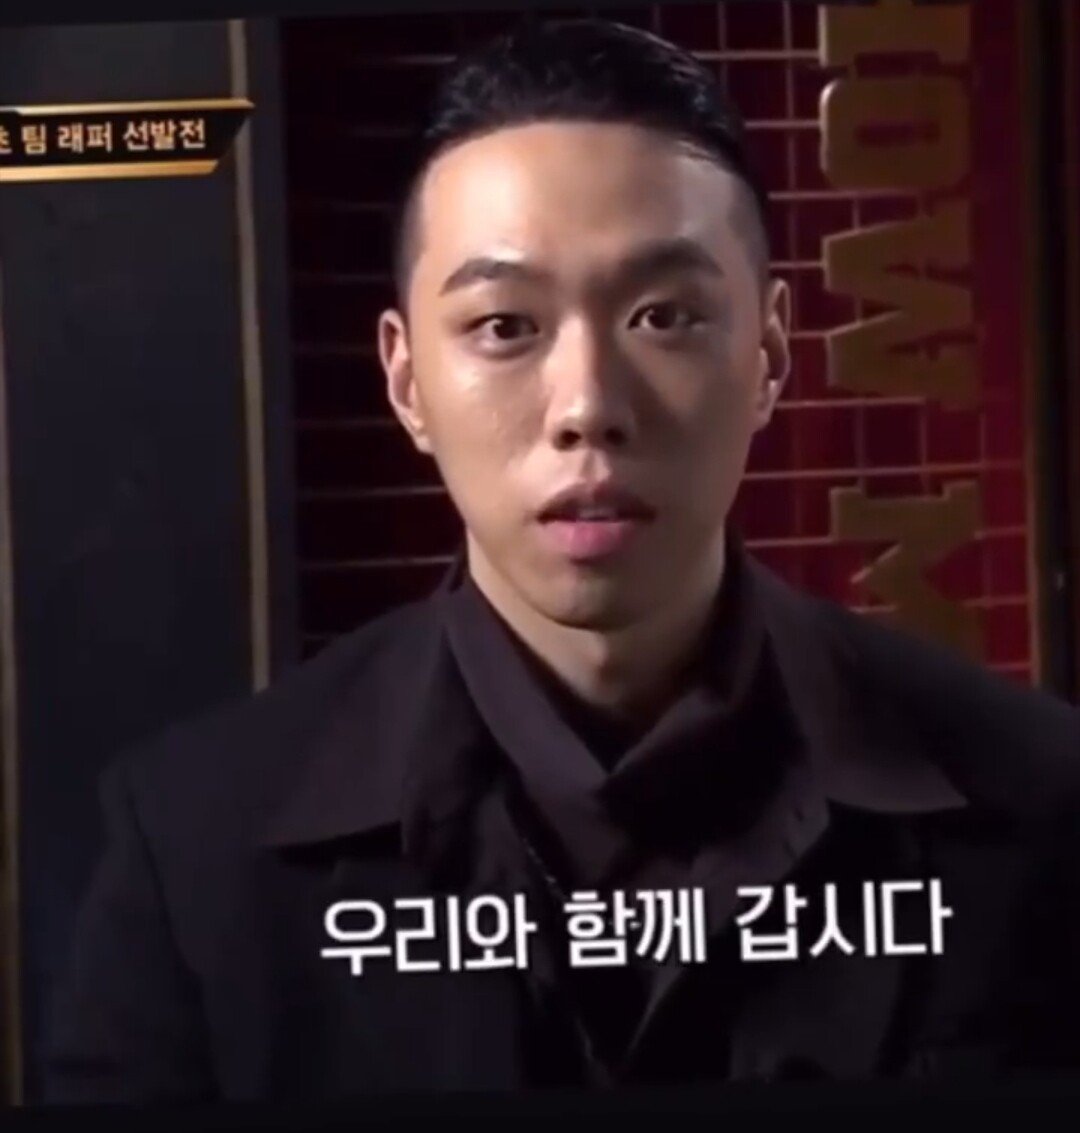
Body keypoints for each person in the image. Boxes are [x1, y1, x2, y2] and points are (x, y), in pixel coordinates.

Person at [44, 18, 1080, 1101]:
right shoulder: (194, 856)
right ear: (406, 381)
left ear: (770, 355)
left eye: (664, 315)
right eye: (505, 326)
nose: (587, 404)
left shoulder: (1037, 803)